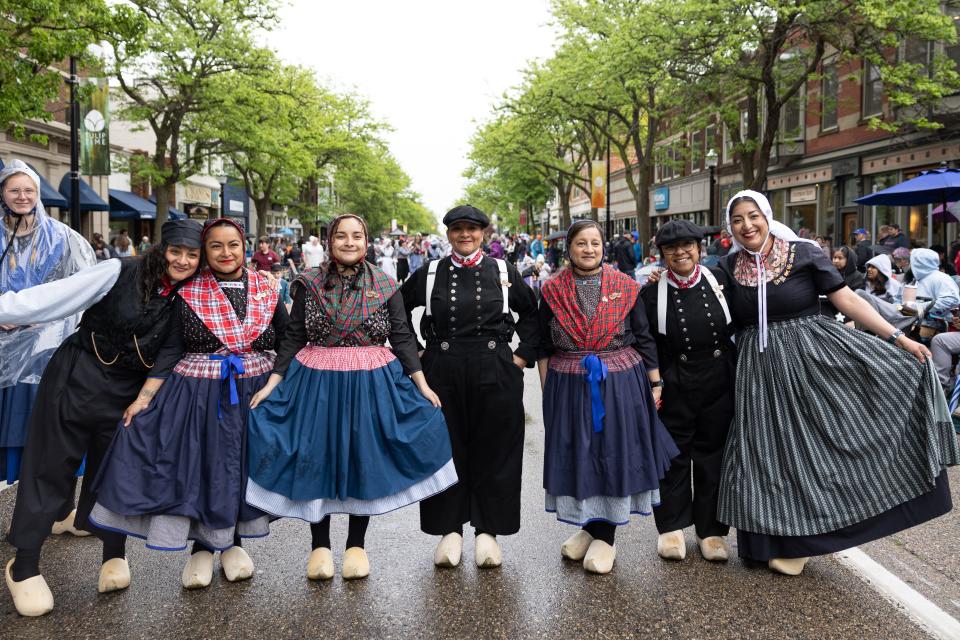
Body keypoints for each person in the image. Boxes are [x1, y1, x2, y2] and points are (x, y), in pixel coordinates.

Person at [716, 190, 959, 576]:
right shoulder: (728, 267)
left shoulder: (804, 253)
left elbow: (847, 300)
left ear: (766, 215)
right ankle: (772, 542)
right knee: (766, 452)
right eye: (738, 220)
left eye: (753, 216)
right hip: (757, 370)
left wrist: (899, 339)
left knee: (818, 445)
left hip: (810, 357)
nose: (747, 225)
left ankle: (806, 540)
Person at [1, 220, 202, 617]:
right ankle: (23, 566)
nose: (182, 260)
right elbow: (56, 296)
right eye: (175, 251)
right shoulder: (118, 270)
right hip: (78, 376)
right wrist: (6, 308)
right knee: (50, 467)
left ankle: (114, 553)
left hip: (128, 393)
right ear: (161, 248)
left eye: (192, 254)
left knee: (115, 471)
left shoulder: (192, 295)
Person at [246, 214, 455, 581]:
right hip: (316, 381)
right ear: (329, 242)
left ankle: (356, 545)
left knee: (364, 458)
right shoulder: (307, 283)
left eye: (356, 236)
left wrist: (421, 384)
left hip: (372, 380)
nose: (348, 242)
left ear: (366, 241)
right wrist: (273, 382)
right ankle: (320, 547)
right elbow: (293, 337)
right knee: (316, 457)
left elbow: (402, 336)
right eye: (340, 236)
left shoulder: (386, 283)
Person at [89, 218, 288, 590]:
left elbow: (288, 339)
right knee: (200, 469)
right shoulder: (189, 292)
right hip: (198, 393)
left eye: (233, 245)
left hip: (254, 393)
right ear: (205, 251)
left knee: (238, 469)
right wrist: (143, 398)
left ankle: (231, 544)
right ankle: (199, 550)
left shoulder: (267, 289)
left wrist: (283, 387)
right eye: (216, 246)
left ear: (246, 248)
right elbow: (172, 347)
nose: (225, 253)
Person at [401, 204, 539, 568]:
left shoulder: (504, 271)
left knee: (496, 451)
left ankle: (488, 532)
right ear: (448, 234)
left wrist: (521, 357)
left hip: (495, 366)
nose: (465, 235)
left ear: (484, 233)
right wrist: (416, 354)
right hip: (441, 367)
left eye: (472, 229)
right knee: (446, 450)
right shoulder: (429, 272)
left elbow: (534, 315)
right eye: (458, 229)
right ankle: (449, 531)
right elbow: (394, 311)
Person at [538, 220, 677, 574]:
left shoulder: (625, 287)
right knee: (581, 454)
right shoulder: (551, 290)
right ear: (568, 248)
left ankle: (606, 538)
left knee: (612, 452)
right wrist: (545, 387)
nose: (588, 249)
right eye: (581, 243)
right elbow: (542, 342)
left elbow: (643, 337)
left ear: (604, 247)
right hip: (569, 380)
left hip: (619, 380)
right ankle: (589, 528)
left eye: (595, 243)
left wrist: (655, 383)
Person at [640, 220, 736, 563]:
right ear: (662, 254)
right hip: (675, 378)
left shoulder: (721, 279)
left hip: (719, 376)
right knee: (673, 455)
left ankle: (710, 531)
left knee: (713, 455)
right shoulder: (651, 292)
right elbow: (645, 340)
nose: (680, 252)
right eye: (671, 248)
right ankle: (672, 528)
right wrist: (656, 382)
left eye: (687, 245)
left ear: (699, 248)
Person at [0, 160, 95, 492]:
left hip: (45, 351)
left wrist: (45, 318)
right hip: (3, 345)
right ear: (3, 193)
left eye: (28, 190)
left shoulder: (62, 237)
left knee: (47, 427)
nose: (22, 196)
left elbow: (83, 286)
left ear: (37, 193)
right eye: (14, 189)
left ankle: (56, 507)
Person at [857, 248, 959, 333]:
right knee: (862, 296)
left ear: (920, 262)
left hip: (926, 322)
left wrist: (919, 308)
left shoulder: (940, 278)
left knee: (864, 298)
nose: (910, 264)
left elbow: (952, 300)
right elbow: (898, 299)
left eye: (912, 261)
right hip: (903, 314)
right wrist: (901, 307)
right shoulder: (912, 279)